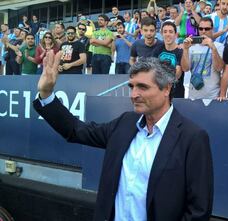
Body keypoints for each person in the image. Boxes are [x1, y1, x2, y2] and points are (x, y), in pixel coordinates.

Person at [34, 54, 213, 221]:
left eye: (142, 87)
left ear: (166, 88)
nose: (134, 94)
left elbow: (199, 210)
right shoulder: (125, 123)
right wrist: (47, 94)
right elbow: (76, 130)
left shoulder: (192, 137)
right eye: (132, 86)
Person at [181, 17, 225, 99]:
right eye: (201, 28)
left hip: (213, 96)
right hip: (193, 95)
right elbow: (185, 68)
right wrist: (185, 49)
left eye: (207, 29)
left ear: (212, 29)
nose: (203, 31)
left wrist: (213, 48)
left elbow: (219, 68)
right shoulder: (191, 47)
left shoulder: (219, 46)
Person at [152, 21, 185, 98]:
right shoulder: (157, 50)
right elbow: (153, 71)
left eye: (171, 32)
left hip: (176, 93)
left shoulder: (180, 51)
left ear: (176, 35)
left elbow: (177, 75)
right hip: (159, 92)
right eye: (165, 32)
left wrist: (161, 69)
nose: (167, 34)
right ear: (161, 34)